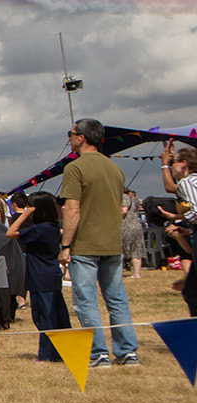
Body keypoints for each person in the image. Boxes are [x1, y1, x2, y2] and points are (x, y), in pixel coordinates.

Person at [60, 119, 138, 368]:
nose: (69, 139)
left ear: (81, 138)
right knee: (117, 300)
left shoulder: (75, 167)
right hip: (113, 242)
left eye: (71, 134)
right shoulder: (115, 168)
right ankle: (128, 352)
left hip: (86, 244)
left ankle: (98, 353)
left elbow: (72, 209)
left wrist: (65, 245)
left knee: (86, 300)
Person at [7, 192, 69, 361]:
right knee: (58, 315)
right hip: (52, 276)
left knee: (44, 318)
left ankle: (47, 354)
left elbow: (11, 232)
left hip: (39, 278)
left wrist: (23, 214)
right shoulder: (53, 228)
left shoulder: (38, 230)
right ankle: (62, 351)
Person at [160, 144, 197, 315]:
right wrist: (187, 231)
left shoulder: (186, 182)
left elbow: (195, 213)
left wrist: (180, 218)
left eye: (174, 163)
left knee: (191, 293)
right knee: (190, 289)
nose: (171, 167)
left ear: (184, 164)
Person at [121, 188, 146, 281]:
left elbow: (124, 210)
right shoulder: (135, 200)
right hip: (136, 225)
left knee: (121, 249)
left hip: (125, 225)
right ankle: (136, 273)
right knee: (136, 249)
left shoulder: (124, 197)